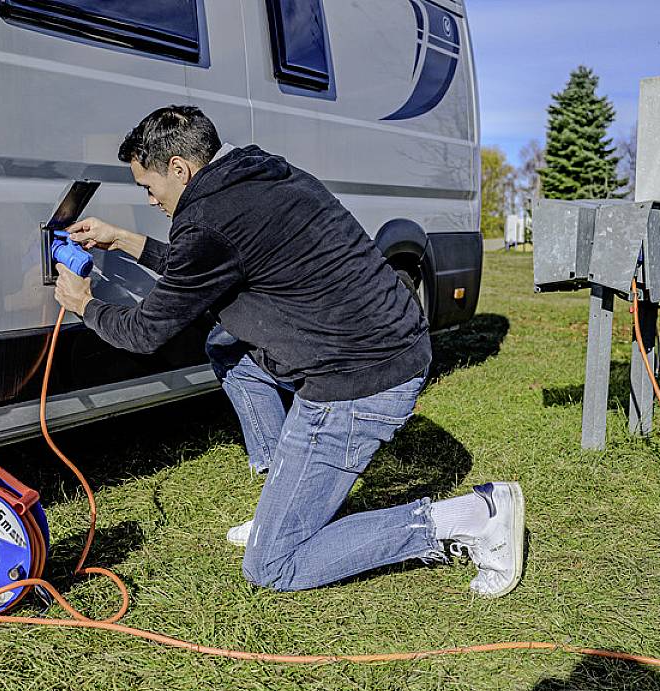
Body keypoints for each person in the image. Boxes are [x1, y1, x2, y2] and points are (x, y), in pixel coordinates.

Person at [53, 106, 525, 597]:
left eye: (148, 187)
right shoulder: (258, 174)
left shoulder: (208, 223)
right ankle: (290, 490)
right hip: (390, 343)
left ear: (179, 169)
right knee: (226, 346)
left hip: (360, 379)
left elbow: (146, 332)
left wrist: (84, 304)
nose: (149, 200)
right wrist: (128, 242)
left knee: (273, 564)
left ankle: (474, 518)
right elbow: (210, 266)